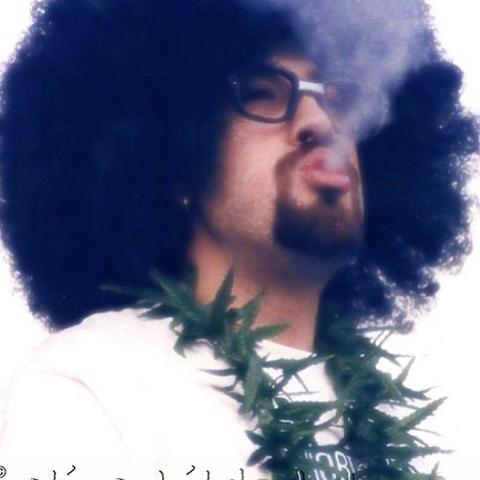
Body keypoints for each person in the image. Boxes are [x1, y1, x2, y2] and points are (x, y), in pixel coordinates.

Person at [0, 0, 477, 479]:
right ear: (176, 163)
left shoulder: (399, 428)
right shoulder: (92, 381)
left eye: (337, 100)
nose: (320, 123)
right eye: (262, 93)